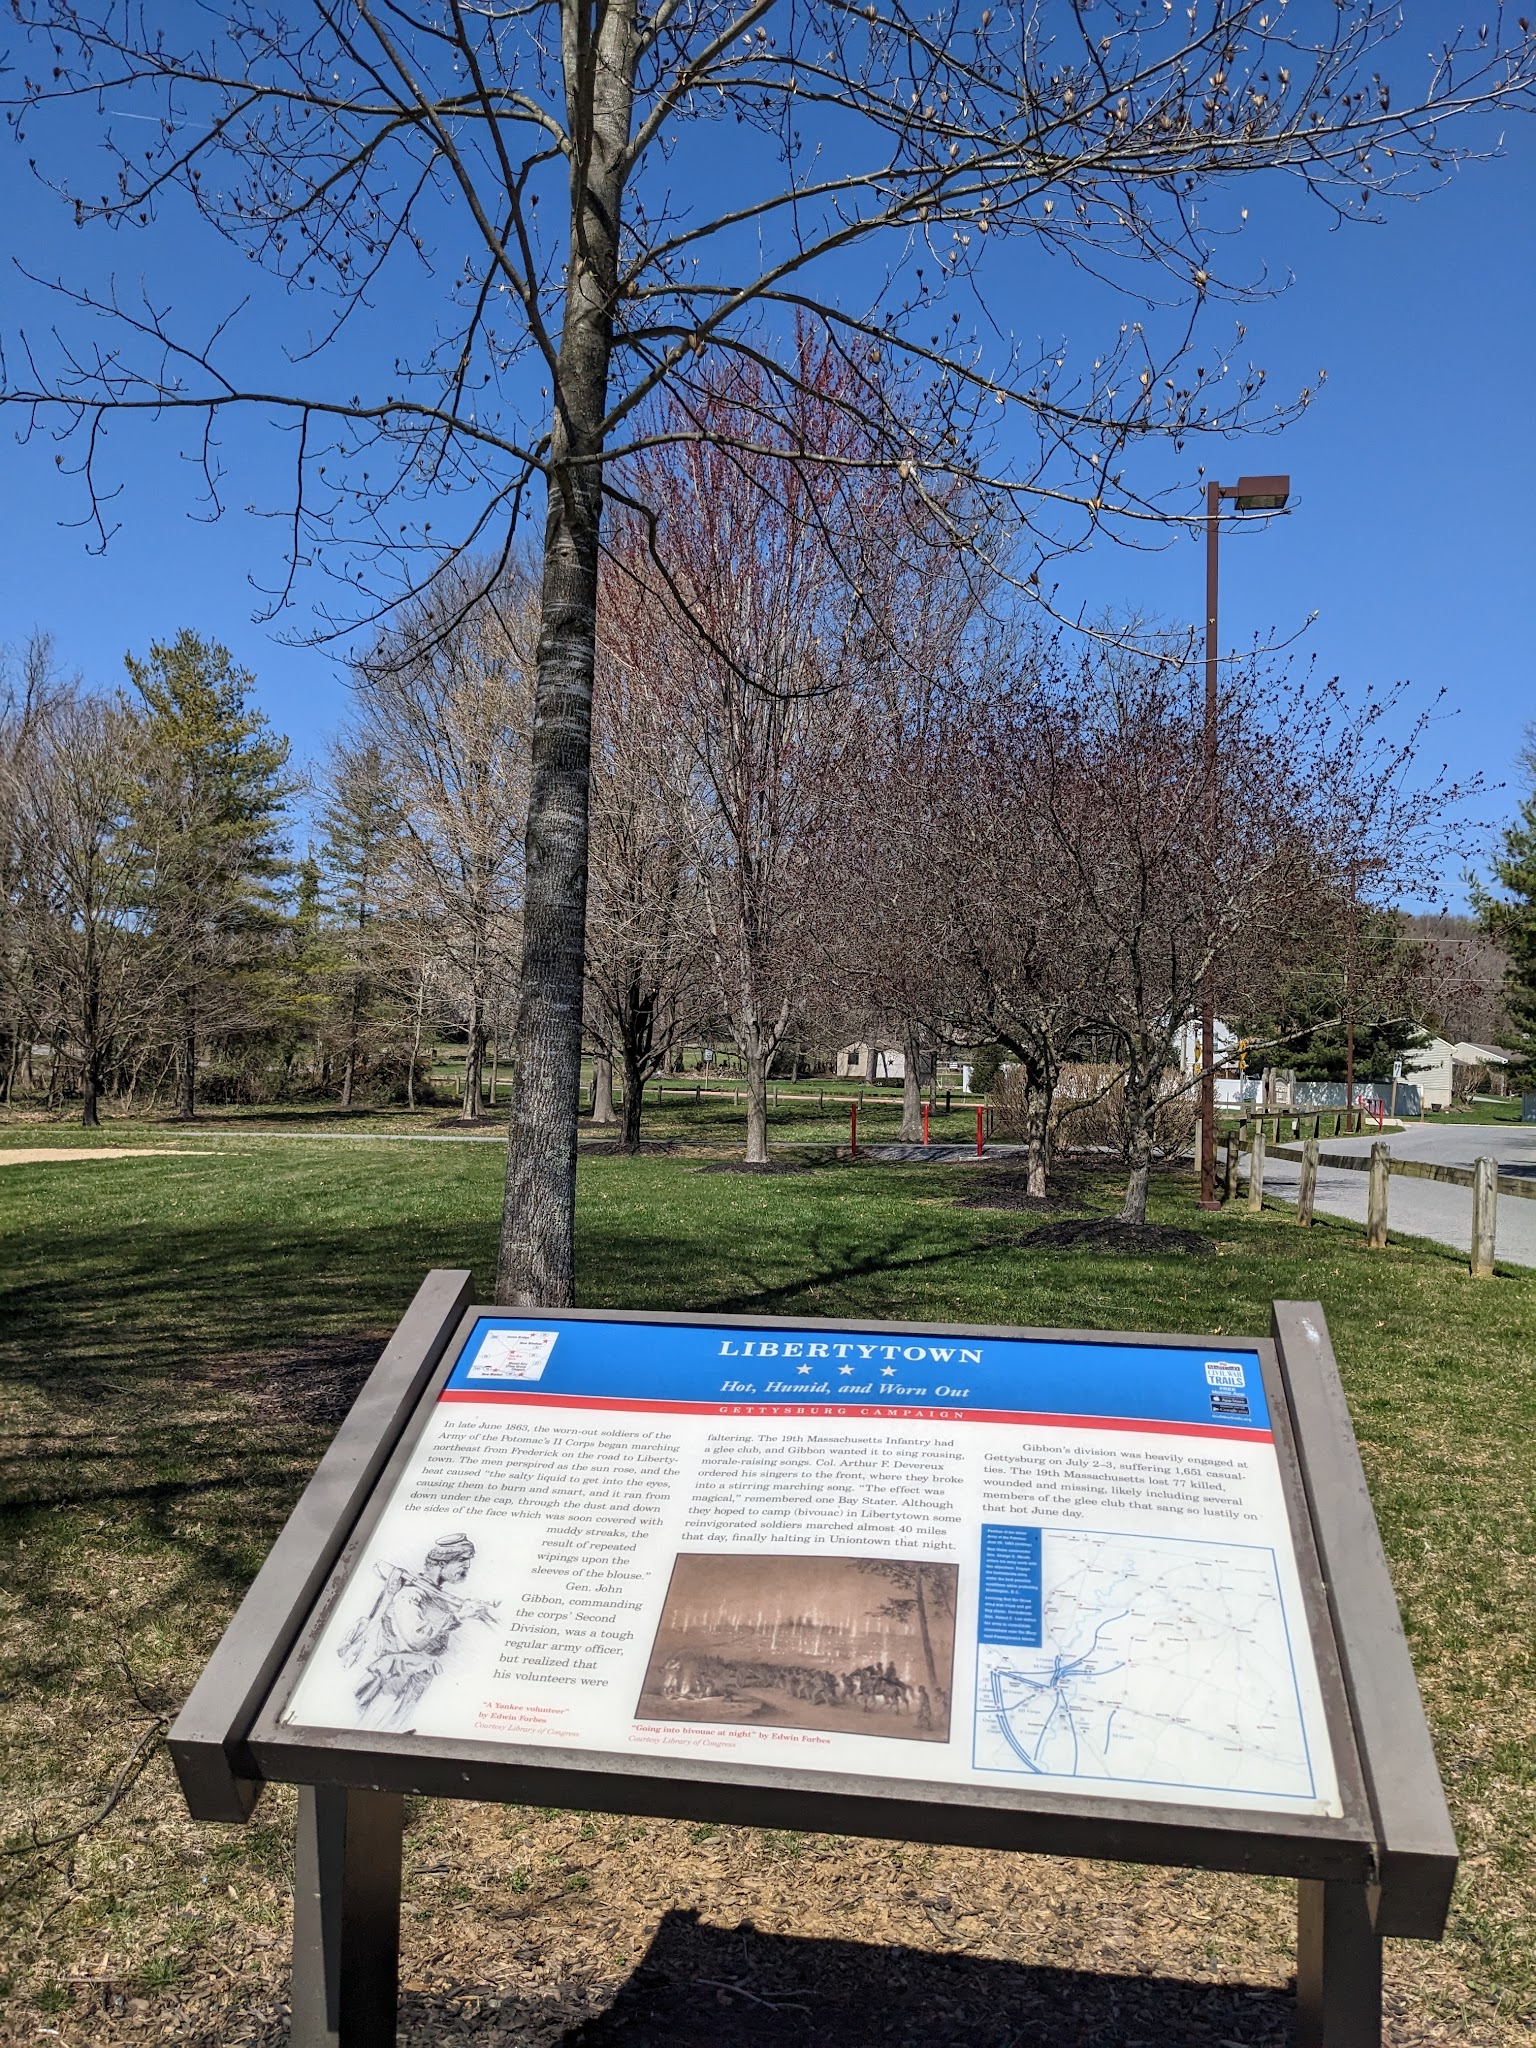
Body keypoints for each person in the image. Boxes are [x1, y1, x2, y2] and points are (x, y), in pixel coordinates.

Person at [338, 1533, 498, 1730]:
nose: (467, 1567)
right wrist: (459, 1616)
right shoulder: (410, 1594)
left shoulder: (435, 1596)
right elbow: (415, 1638)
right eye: (461, 1560)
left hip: (416, 1677)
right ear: (441, 1563)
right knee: (378, 1729)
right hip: (396, 1678)